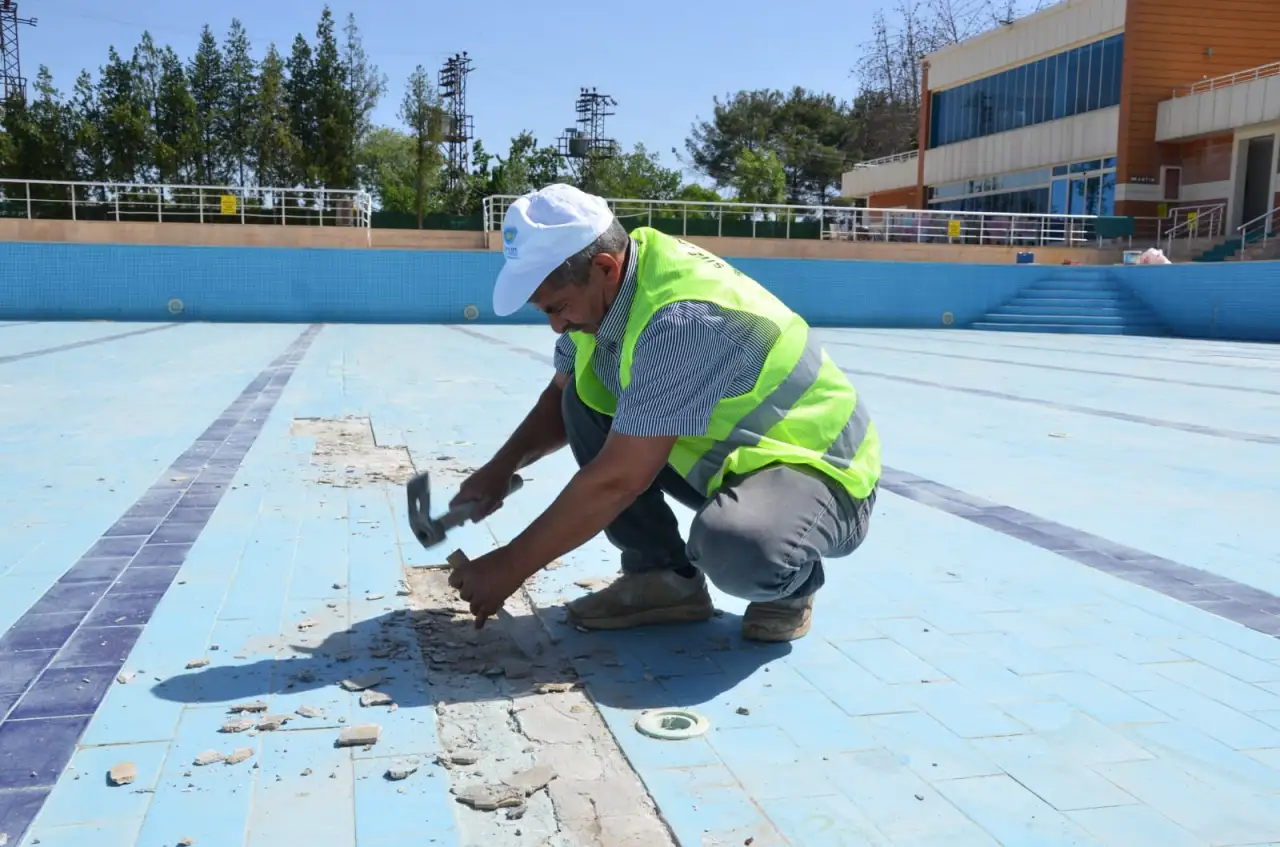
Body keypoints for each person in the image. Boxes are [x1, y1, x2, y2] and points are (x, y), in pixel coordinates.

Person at [447, 184, 880, 643]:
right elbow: (559, 400)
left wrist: (510, 565)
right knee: (583, 399)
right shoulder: (609, 295)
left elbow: (620, 478)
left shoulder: (680, 319)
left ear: (603, 268)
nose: (556, 325)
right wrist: (500, 468)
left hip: (817, 471)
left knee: (739, 549)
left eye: (558, 307)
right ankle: (661, 580)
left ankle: (793, 587)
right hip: (733, 461)